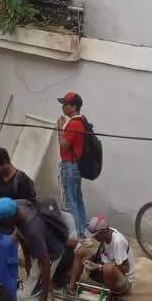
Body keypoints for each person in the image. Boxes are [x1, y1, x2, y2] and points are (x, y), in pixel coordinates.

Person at [0, 147, 36, 294]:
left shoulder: (22, 181)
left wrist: (18, 232)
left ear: (5, 162)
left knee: (7, 273)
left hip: (9, 234)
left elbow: (30, 210)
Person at [67, 214, 136, 295]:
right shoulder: (105, 236)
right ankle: (71, 288)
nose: (94, 238)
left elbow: (125, 268)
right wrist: (89, 260)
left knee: (108, 268)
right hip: (106, 273)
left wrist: (99, 267)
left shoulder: (118, 241)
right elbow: (102, 256)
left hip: (122, 281)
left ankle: (109, 297)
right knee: (80, 251)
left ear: (104, 232)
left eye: (96, 235)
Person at [55, 91, 89, 237]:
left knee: (70, 201)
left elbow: (64, 145)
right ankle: (82, 230)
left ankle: (75, 234)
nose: (63, 107)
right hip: (77, 166)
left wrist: (59, 127)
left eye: (65, 104)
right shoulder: (83, 119)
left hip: (70, 166)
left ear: (73, 107)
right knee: (77, 198)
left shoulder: (74, 123)